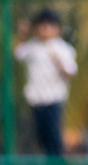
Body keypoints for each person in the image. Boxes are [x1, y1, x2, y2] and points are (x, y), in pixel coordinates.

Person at [14, 9, 77, 157]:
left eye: (50, 26)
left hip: (54, 98)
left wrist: (58, 63)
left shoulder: (62, 48)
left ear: (58, 29)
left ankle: (57, 163)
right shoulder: (33, 46)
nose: (45, 30)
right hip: (36, 99)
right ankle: (47, 161)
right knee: (40, 135)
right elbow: (19, 54)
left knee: (53, 134)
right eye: (42, 26)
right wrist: (22, 34)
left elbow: (71, 72)